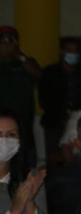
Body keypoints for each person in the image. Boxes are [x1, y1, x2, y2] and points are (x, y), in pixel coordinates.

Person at [39, 38, 81, 164]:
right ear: (62, 52)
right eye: (69, 50)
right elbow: (44, 98)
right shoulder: (49, 73)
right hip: (54, 121)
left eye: (75, 51)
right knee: (54, 157)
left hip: (79, 120)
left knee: (79, 154)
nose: (73, 54)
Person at [0, 107, 48, 214]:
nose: (4, 140)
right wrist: (15, 209)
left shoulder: (30, 178)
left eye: (11, 135)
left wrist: (29, 205)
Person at [0, 28, 42, 168]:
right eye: (2, 40)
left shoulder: (25, 62)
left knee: (24, 157)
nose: (6, 44)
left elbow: (40, 78)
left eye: (9, 40)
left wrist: (18, 54)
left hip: (23, 120)